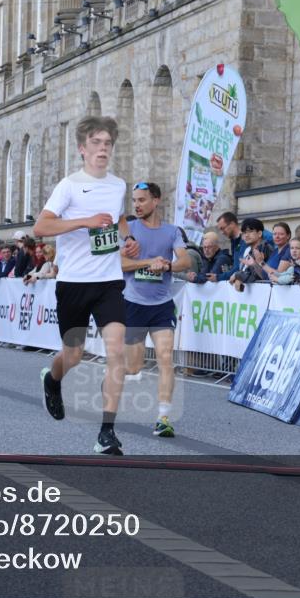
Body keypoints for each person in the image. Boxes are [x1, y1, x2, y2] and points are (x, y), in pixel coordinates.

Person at [32, 115, 139, 455]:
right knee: (74, 354)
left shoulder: (118, 185)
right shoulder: (69, 185)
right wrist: (85, 222)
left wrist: (128, 238)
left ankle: (106, 432)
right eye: (96, 143)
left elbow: (118, 216)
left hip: (108, 281)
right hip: (74, 282)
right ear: (82, 149)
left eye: (107, 143)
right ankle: (53, 378)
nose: (103, 149)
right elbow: (41, 227)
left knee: (116, 351)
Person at [120, 182, 190, 437]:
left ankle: (163, 417)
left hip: (161, 305)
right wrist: (150, 262)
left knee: (165, 358)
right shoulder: (129, 230)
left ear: (156, 201)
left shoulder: (171, 232)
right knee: (134, 367)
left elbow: (185, 260)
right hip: (134, 304)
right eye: (134, 201)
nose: (137, 205)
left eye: (142, 200)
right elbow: (120, 263)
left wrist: (168, 266)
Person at [228, 218, 270, 290]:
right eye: (244, 232)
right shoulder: (249, 249)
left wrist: (237, 275)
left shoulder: (264, 248)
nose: (246, 235)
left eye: (250, 231)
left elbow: (257, 275)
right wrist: (239, 277)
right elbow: (247, 272)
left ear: (259, 233)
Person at [214, 212, 251, 281]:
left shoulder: (244, 241)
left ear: (232, 224)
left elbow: (240, 266)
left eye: (223, 228)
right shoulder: (234, 241)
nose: (222, 232)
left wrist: (218, 277)